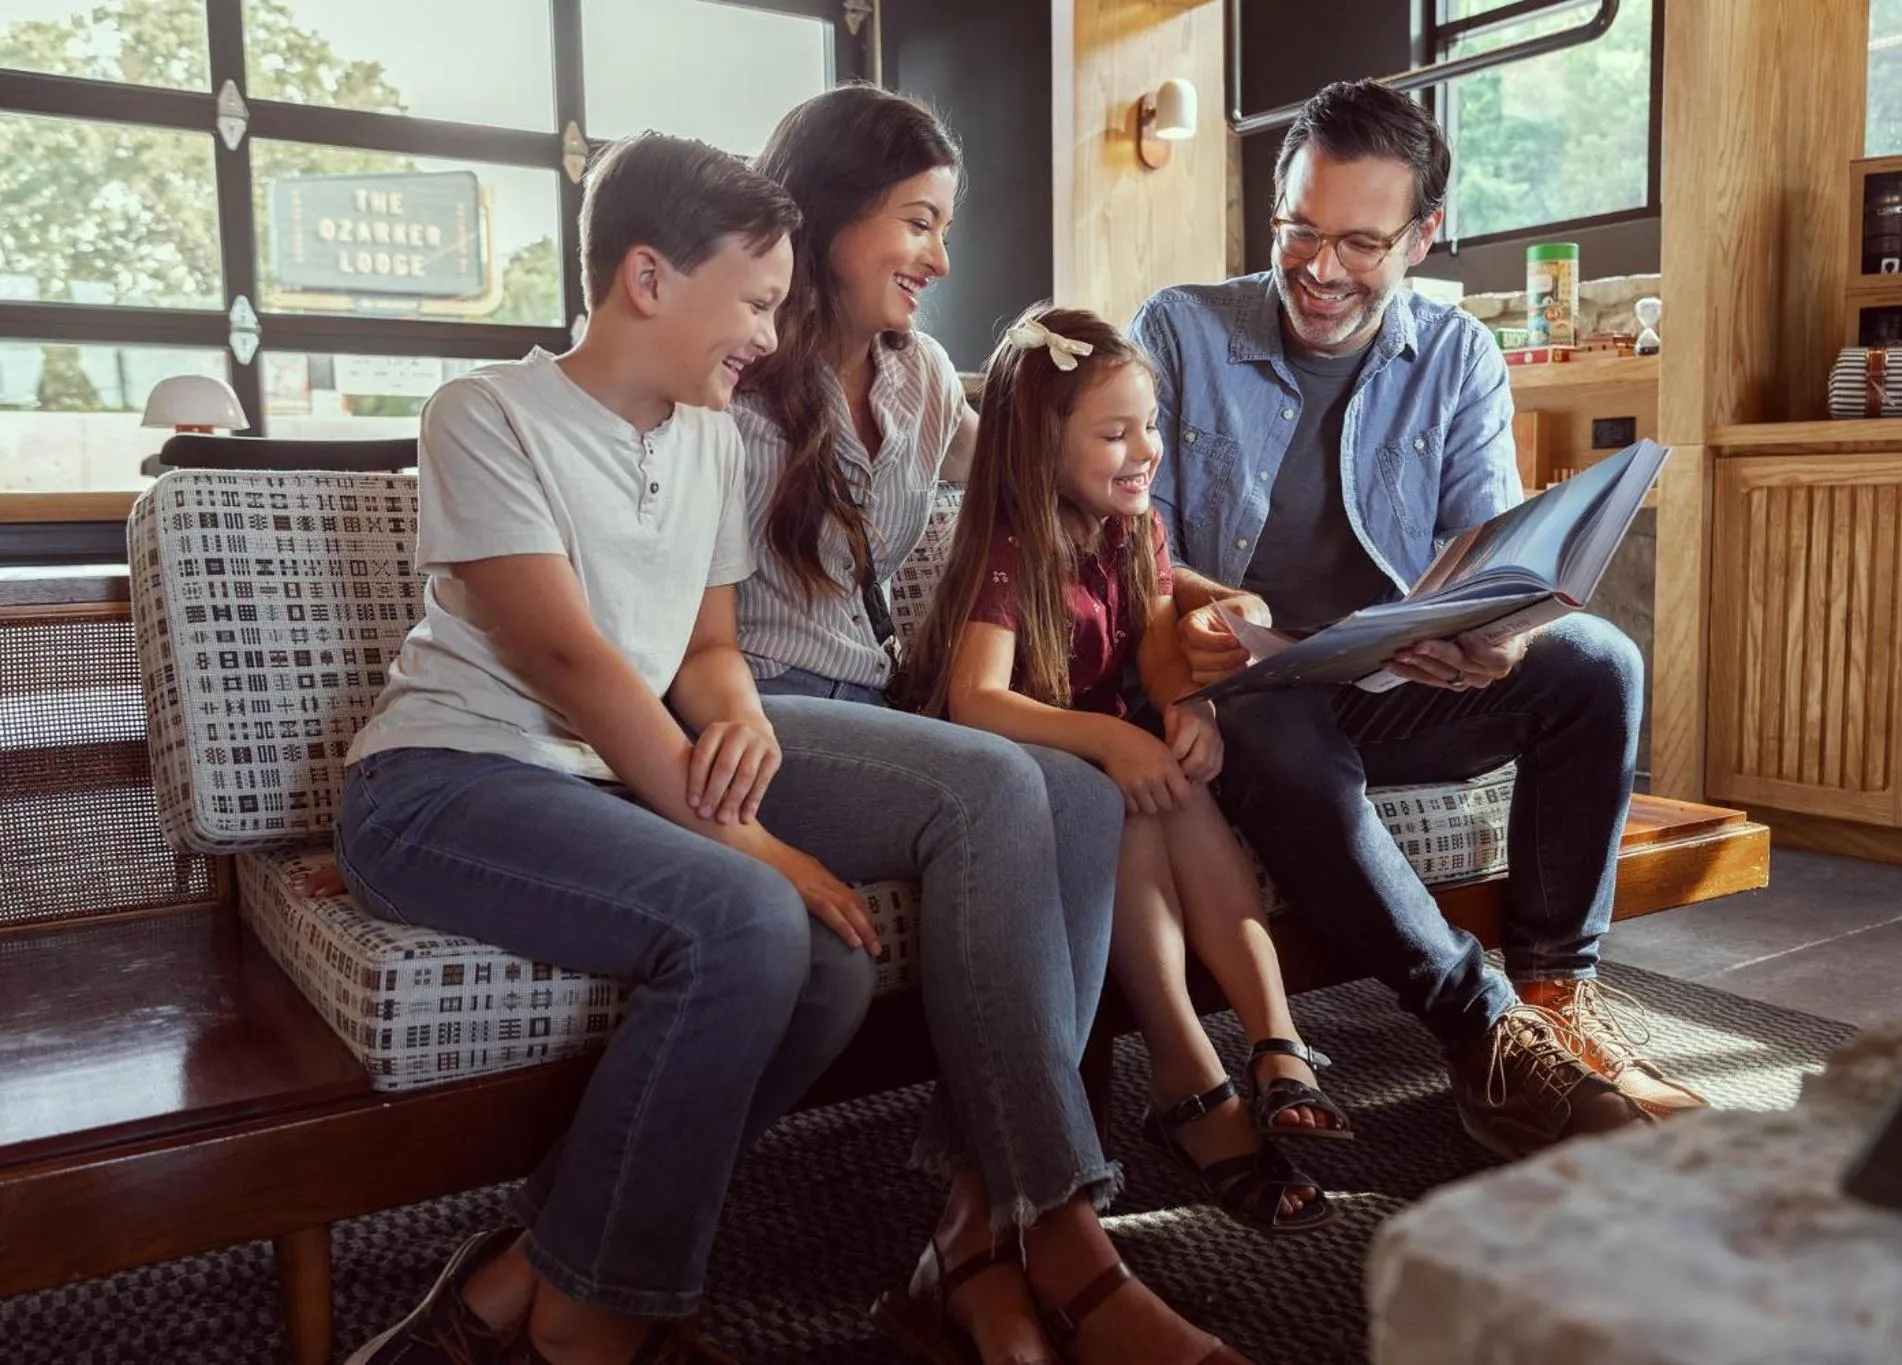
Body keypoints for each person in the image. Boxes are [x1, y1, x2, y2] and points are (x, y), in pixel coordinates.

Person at [731, 86, 1253, 1365]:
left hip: (878, 722)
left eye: (943, 225)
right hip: (751, 718)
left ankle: (969, 1233)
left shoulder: (915, 384)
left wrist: (1201, 595)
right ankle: (1067, 1237)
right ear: (825, 220)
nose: (940, 257)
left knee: (1072, 794)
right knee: (1000, 787)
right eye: (915, 222)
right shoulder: (728, 385)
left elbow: (1059, 466)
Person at [333, 135, 870, 1365]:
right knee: (748, 921)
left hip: (587, 789)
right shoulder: (485, 412)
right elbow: (568, 662)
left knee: (832, 968)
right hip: (437, 785)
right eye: (754, 302)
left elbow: (707, 644)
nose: (769, 336)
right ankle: (594, 1328)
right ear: (646, 276)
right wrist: (748, 842)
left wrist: (737, 711)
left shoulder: (716, 439)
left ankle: (528, 1277)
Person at [1129, 79, 1707, 1162]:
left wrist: (1498, 635)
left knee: (1596, 664)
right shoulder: (1179, 329)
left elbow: (1496, 558)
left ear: (1423, 234)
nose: (1319, 269)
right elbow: (1130, 547)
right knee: (1272, 728)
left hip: (1396, 685)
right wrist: (1203, 616)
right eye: (1299, 231)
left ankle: (1554, 997)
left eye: (1358, 241)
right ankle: (1481, 1032)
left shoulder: (1454, 357)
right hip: (1250, 696)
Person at [903, 302, 1356, 1245]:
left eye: (1150, 426)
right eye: (1115, 433)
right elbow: (975, 698)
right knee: (1135, 808)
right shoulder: (1012, 546)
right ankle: (1188, 1068)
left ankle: (1276, 1043)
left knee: (1182, 794)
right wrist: (1112, 743)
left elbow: (1155, 649)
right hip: (1018, 760)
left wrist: (1190, 708)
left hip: (1108, 746)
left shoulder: (1131, 527)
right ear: (1040, 444)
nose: (1144, 450)